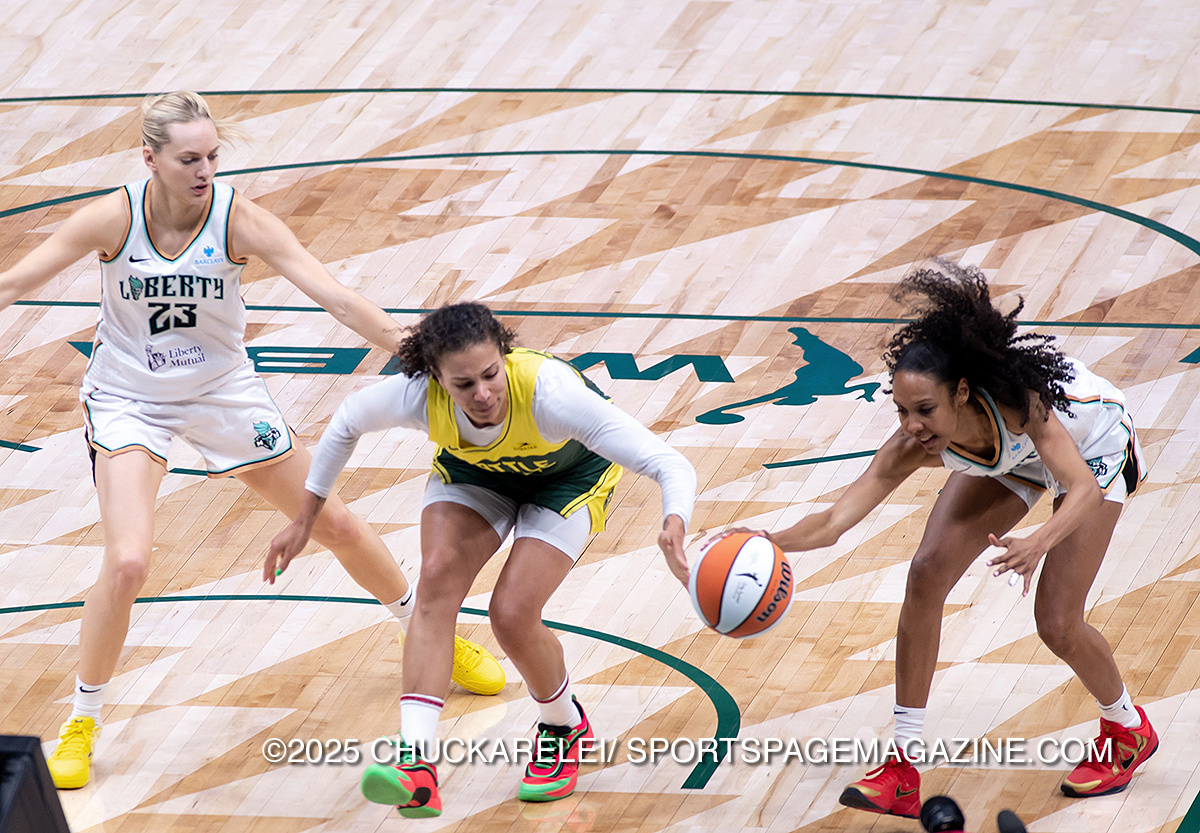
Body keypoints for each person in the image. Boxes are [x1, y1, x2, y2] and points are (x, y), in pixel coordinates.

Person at [0, 91, 504, 790]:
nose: (205, 170)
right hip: (128, 400)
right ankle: (82, 722)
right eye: (189, 159)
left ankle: (425, 629)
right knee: (128, 561)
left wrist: (426, 354)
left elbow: (337, 297)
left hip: (222, 393)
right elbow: (15, 280)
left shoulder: (240, 220)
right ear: (150, 159)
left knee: (335, 523)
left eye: (212, 156)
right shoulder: (114, 217)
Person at [725, 261, 1156, 818]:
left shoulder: (1020, 400)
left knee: (1056, 622)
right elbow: (834, 522)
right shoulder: (914, 441)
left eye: (925, 410)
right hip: (1017, 459)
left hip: (1094, 450)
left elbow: (1081, 490)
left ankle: (1126, 729)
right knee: (926, 573)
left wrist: (1038, 542)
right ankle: (902, 768)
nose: (912, 426)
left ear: (961, 393)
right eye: (902, 410)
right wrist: (766, 540)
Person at [268, 301, 696, 817]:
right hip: (477, 474)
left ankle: (563, 726)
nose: (484, 393)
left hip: (568, 479)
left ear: (504, 357)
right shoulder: (417, 396)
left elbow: (669, 463)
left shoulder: (551, 394)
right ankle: (416, 766)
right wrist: (306, 517)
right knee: (435, 582)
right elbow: (345, 423)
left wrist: (675, 521)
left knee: (512, 614)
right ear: (436, 378)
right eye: (464, 384)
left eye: (491, 374)